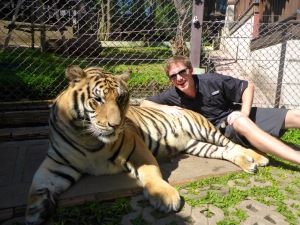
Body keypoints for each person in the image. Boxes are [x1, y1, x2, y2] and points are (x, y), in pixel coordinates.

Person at [140, 55, 300, 165]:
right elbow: (144, 103)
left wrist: (244, 113)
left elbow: (247, 86)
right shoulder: (172, 95)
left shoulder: (211, 80)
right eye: (173, 76)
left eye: (182, 72)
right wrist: (165, 108)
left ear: (190, 70)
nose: (179, 78)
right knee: (242, 122)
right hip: (221, 132)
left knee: (295, 115)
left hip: (238, 115)